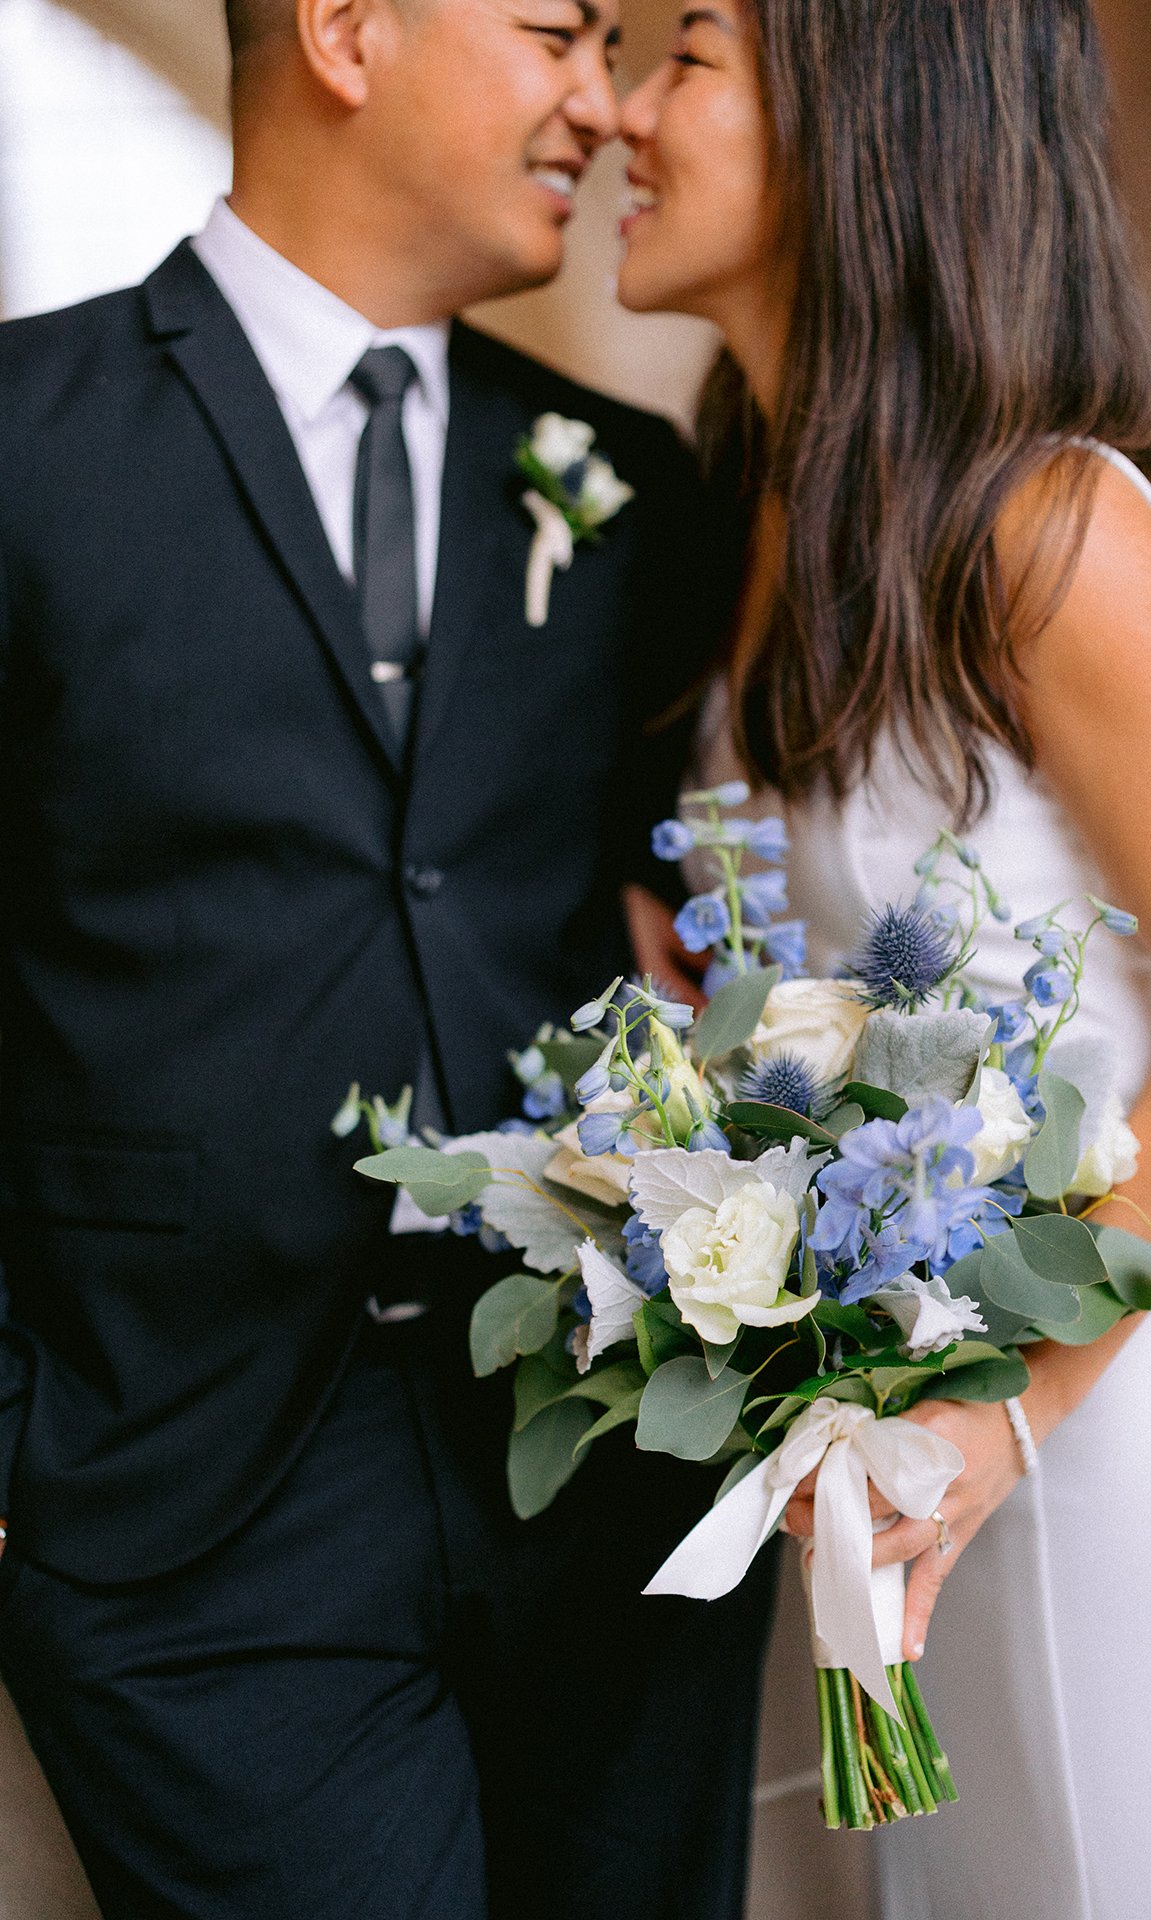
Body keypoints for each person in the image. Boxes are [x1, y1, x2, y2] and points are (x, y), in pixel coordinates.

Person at [0, 3, 772, 1915]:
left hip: (613, 1477)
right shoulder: (24, 438)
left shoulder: (625, 481)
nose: (602, 105)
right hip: (181, 1506)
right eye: (556, 35)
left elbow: (683, 927)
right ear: (346, 32)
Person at [614, 3, 1151, 1917]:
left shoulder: (1048, 527)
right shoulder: (755, 528)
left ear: (858, 107)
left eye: (682, 55)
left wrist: (1011, 1414)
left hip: (1107, 1427)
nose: (623, 114)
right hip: (888, 1449)